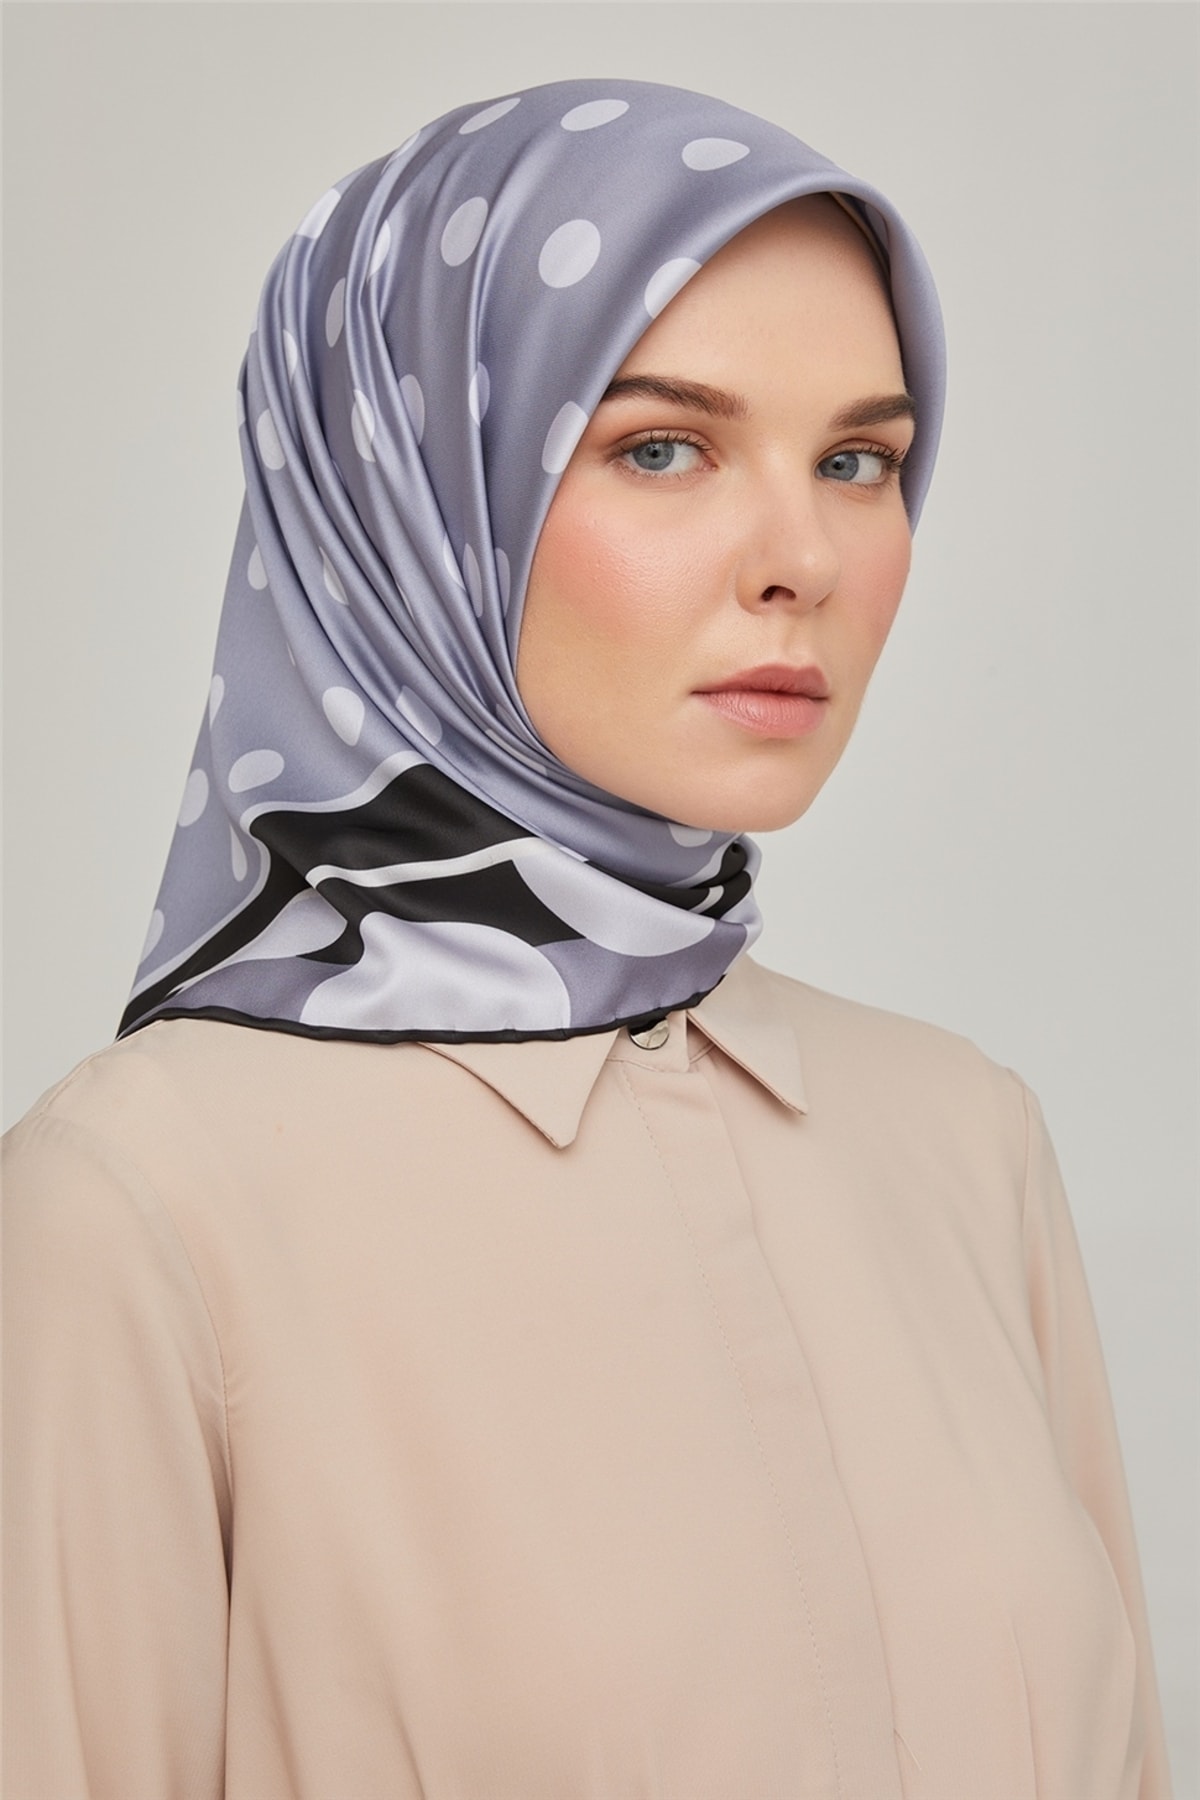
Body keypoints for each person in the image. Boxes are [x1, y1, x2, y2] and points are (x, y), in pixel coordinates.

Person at [2, 78, 1171, 1800]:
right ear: (407, 500)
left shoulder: (963, 1139)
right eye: (661, 447)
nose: (803, 558)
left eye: (858, 461)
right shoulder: (144, 1205)